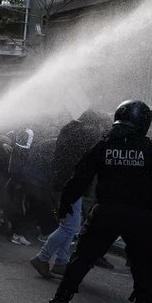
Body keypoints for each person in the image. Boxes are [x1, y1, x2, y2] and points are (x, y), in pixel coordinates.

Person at [46, 100, 152, 303]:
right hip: (141, 217)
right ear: (144, 123)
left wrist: (66, 202)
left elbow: (80, 176)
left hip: (106, 212)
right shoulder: (151, 150)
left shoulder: (104, 146)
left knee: (83, 258)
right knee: (143, 268)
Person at [31, 110, 108, 277]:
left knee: (70, 224)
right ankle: (42, 258)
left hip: (63, 181)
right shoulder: (88, 132)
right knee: (70, 226)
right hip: (71, 184)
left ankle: (61, 262)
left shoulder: (70, 128)